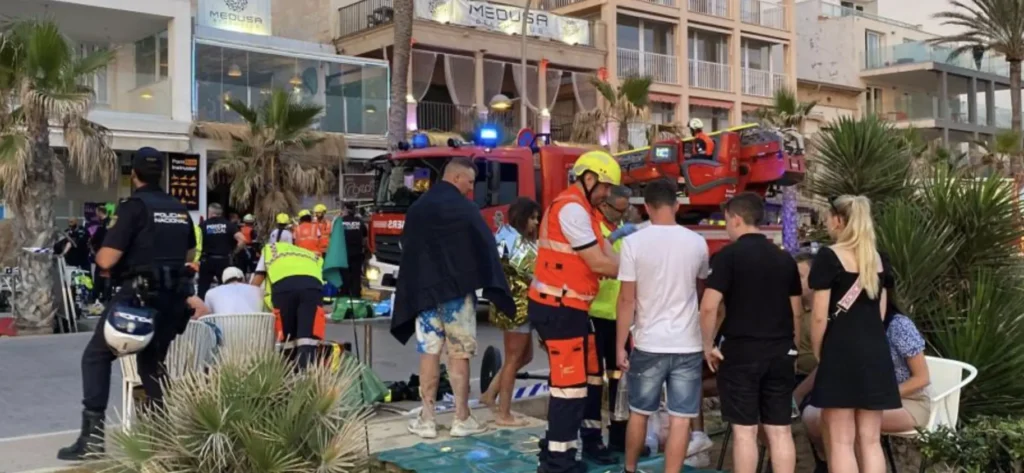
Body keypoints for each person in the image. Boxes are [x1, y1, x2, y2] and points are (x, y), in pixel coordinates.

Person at [58, 147, 198, 461]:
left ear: (133, 174)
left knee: (95, 357)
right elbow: (189, 255)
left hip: (136, 298)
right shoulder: (178, 208)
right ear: (161, 173)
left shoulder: (133, 207)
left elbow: (107, 258)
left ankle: (92, 440)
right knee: (153, 366)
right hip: (172, 299)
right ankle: (163, 441)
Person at [391, 157, 514, 439]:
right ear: (457, 177)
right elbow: (485, 246)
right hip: (458, 297)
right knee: (459, 354)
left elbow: (407, 246)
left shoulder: (418, 208)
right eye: (469, 182)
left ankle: (427, 419)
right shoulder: (466, 208)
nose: (471, 189)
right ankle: (461, 418)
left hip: (423, 296)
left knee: (429, 353)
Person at [530, 150, 623, 471]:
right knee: (568, 388)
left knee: (587, 378)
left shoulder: (586, 211)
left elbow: (608, 252)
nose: (608, 193)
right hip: (559, 307)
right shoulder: (571, 209)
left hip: (571, 307)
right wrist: (636, 272)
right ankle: (558, 461)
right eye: (606, 186)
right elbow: (599, 262)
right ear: (589, 178)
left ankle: (572, 446)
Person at [698, 192, 802, 473]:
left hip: (741, 353)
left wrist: (707, 346)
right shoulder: (785, 260)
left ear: (735, 218)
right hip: (781, 351)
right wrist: (794, 348)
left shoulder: (727, 257)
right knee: (780, 431)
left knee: (744, 432)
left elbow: (709, 307)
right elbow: (795, 312)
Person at [616, 179, 709, 473]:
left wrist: (620, 345)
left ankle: (630, 468)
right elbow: (701, 288)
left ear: (646, 208)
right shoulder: (697, 242)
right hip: (688, 343)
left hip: (648, 343)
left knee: (640, 413)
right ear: (677, 206)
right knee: (681, 418)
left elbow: (626, 300)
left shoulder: (633, 243)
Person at [807, 195, 899, 473]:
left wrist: (818, 350)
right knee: (871, 441)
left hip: (840, 351)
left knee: (841, 441)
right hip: (875, 352)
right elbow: (881, 312)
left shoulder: (829, 256)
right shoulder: (879, 260)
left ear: (839, 220)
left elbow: (820, 315)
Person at [801, 299, 932, 473]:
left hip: (908, 401)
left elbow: (922, 378)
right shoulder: (853, 328)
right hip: (864, 398)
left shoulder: (898, 325)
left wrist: (882, 395)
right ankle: (830, 462)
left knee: (848, 422)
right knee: (817, 415)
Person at [481, 197, 541, 426]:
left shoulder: (505, 236)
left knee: (525, 357)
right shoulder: (515, 243)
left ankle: (490, 394)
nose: (536, 223)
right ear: (522, 217)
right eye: (533, 218)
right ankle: (505, 414)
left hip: (512, 305)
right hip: (518, 307)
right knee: (513, 359)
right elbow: (534, 271)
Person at [587, 185, 635, 451]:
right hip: (595, 314)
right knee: (594, 380)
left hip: (619, 317)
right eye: (619, 209)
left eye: (626, 209)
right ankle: (592, 440)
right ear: (605, 206)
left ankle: (619, 436)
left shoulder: (625, 234)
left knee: (620, 378)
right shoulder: (595, 231)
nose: (622, 215)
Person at [250, 241, 325, 368]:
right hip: (312, 288)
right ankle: (308, 375)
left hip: (284, 288)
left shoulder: (270, 249)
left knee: (288, 338)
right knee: (307, 339)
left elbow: (257, 280)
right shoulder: (307, 254)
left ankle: (289, 375)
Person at [197, 203, 246, 299]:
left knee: (203, 289)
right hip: (224, 260)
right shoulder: (229, 225)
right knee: (227, 288)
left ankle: (202, 311)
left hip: (207, 260)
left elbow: (196, 242)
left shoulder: (203, 225)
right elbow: (243, 240)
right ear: (221, 213)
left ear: (210, 212)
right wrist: (234, 252)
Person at [340, 203, 367, 298]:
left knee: (344, 276)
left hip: (344, 254)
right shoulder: (359, 222)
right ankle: (355, 295)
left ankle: (344, 295)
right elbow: (365, 235)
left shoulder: (340, 221)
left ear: (346, 210)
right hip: (357, 253)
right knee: (356, 276)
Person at [90, 206, 113, 305]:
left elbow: (98, 238)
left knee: (104, 276)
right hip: (104, 254)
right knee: (102, 277)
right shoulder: (103, 225)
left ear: (100, 213)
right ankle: (102, 296)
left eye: (97, 213)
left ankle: (104, 296)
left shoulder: (107, 225)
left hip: (105, 254)